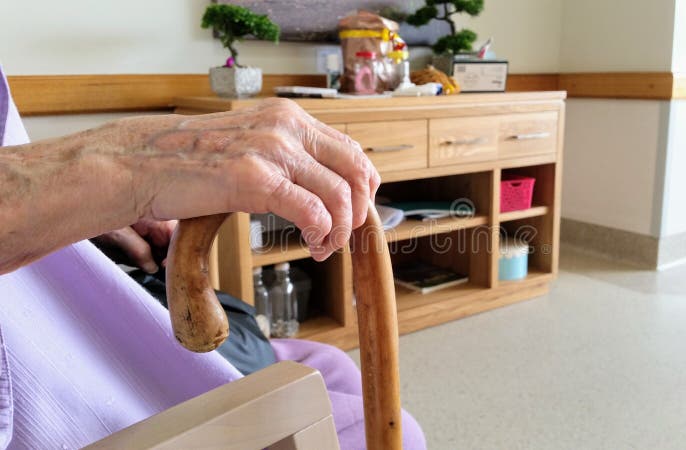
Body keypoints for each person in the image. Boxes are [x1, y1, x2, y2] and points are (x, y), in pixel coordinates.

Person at [0, 66, 425, 449]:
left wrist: (88, 217)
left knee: (330, 363)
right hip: (68, 403)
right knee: (396, 431)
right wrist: (121, 169)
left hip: (73, 304)